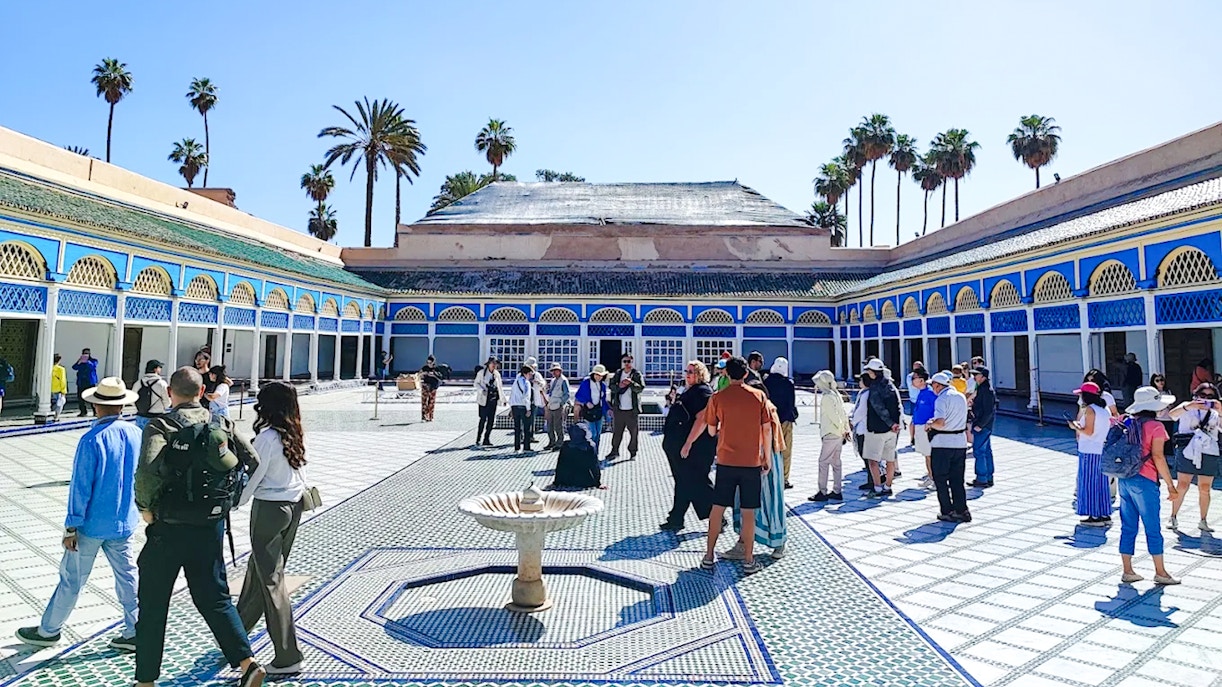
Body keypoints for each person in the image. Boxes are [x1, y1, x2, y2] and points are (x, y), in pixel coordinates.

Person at [133, 366, 265, 687]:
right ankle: (247, 663)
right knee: (214, 597)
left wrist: (146, 509)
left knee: (153, 602)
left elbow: (148, 473)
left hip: (169, 527)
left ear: (170, 393)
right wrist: (230, 500)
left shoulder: (161, 424)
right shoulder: (220, 422)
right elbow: (253, 461)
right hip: (210, 525)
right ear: (202, 392)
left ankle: (146, 680)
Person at [15, 377, 142, 652]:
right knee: (128, 576)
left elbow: (81, 487)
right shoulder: (136, 434)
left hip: (91, 524)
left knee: (72, 579)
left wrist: (71, 526)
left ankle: (49, 630)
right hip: (123, 520)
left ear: (97, 406)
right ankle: (136, 629)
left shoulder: (92, 439)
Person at [236, 381, 307, 675]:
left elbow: (254, 475)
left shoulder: (266, 438)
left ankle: (288, 655)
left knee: (271, 580)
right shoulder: (293, 433)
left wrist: (236, 502)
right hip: (293, 506)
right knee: (259, 571)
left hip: (269, 510)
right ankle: (235, 635)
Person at [683, 356, 770, 575]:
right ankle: (749, 560)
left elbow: (711, 430)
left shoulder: (718, 397)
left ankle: (709, 556)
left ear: (726, 374)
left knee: (717, 508)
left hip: (726, 461)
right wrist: (766, 457)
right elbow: (766, 429)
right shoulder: (758, 396)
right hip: (751, 462)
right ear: (746, 374)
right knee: (749, 512)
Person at [1118, 386, 1180, 585]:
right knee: (1152, 526)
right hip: (1145, 480)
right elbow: (1158, 457)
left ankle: (1128, 570)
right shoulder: (1156, 427)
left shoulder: (1126, 421)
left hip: (1125, 478)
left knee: (1128, 526)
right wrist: (1170, 485)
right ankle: (1160, 572)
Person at [729, 377, 787, 559]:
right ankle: (743, 542)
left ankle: (779, 541)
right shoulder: (751, 407)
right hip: (749, 458)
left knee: (769, 498)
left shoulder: (767, 408)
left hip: (766, 459)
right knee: (746, 500)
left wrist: (766, 459)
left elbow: (769, 433)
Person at [661, 361, 716, 531]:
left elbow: (702, 419)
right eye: (687, 371)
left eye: (692, 372)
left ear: (700, 374)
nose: (688, 374)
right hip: (680, 445)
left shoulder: (703, 392)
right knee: (684, 481)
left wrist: (688, 443)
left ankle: (716, 514)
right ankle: (676, 517)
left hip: (697, 447)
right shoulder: (689, 390)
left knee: (696, 481)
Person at [1167, 383, 1218, 532]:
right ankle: (1173, 516)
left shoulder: (1215, 411)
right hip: (1187, 449)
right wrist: (1190, 406)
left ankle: (1203, 520)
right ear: (1196, 395)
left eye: (1210, 397)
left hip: (1209, 450)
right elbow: (1172, 415)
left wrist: (1220, 411)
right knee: (1182, 485)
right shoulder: (1187, 406)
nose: (1205, 400)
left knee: (1205, 488)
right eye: (1202, 396)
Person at [928, 372, 971, 522]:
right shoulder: (960, 396)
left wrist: (930, 424)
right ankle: (962, 509)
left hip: (943, 443)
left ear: (938, 385)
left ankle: (946, 510)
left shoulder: (941, 399)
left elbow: (940, 423)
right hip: (959, 442)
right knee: (957, 479)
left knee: (940, 479)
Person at [1071, 382, 1113, 526]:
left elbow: (1088, 431)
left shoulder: (1090, 409)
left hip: (1089, 450)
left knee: (1089, 482)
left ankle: (1094, 516)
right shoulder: (1104, 409)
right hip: (1101, 449)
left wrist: (1075, 427)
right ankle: (1104, 514)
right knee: (1101, 483)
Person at [862, 359, 901, 498]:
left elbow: (879, 408)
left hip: (878, 429)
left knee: (873, 460)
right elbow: (897, 405)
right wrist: (896, 424)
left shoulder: (874, 387)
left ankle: (877, 488)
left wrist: (890, 423)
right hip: (892, 430)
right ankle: (888, 486)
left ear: (873, 372)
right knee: (890, 459)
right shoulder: (890, 385)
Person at [809, 370, 848, 501]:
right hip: (838, 433)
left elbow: (834, 416)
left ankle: (822, 491)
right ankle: (837, 490)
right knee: (836, 462)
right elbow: (843, 413)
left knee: (823, 462)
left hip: (831, 432)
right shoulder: (836, 394)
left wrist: (839, 428)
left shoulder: (827, 396)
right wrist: (844, 429)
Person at [763, 357, 798, 489]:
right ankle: (784, 478)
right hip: (785, 420)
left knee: (770, 447)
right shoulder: (788, 383)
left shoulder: (766, 381)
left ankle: (770, 474)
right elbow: (791, 403)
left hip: (770, 419)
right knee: (786, 450)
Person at [608, 355, 645, 460]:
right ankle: (614, 451)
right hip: (619, 409)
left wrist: (631, 383)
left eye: (629, 361)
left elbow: (641, 388)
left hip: (632, 410)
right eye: (625, 361)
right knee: (617, 432)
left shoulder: (637, 374)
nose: (627, 364)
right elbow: (611, 387)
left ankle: (633, 453)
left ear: (632, 362)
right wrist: (619, 386)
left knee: (633, 433)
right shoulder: (618, 374)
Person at [968, 367, 997, 488]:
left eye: (977, 374)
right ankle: (988, 477)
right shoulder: (983, 389)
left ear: (983, 376)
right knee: (986, 451)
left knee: (979, 451)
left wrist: (980, 425)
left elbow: (989, 411)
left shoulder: (985, 390)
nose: (974, 377)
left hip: (982, 425)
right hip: (985, 425)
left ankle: (981, 478)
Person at [909, 368, 937, 490]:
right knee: (926, 454)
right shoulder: (921, 393)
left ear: (921, 380)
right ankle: (930, 476)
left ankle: (935, 479)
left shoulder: (930, 393)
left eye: (913, 378)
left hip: (927, 428)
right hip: (919, 426)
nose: (911, 380)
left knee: (930, 455)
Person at [574, 365, 611, 450]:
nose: (599, 377)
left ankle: (596, 452)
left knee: (598, 433)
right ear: (593, 374)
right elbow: (579, 395)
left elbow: (603, 400)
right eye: (597, 375)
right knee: (592, 433)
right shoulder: (586, 383)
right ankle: (590, 450)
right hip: (588, 411)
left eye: (601, 375)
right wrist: (586, 402)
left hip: (599, 411)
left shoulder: (603, 385)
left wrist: (608, 410)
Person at [473, 357, 503, 447]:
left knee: (491, 420)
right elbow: (476, 383)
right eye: (492, 363)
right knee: (482, 419)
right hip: (484, 398)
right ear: (488, 364)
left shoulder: (496, 374)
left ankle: (487, 438)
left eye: (495, 363)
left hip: (493, 399)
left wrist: (502, 399)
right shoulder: (481, 373)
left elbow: (500, 387)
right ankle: (478, 438)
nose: (494, 365)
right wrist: (482, 390)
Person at [851, 372, 873, 490]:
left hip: (864, 428)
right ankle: (871, 478)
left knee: (866, 454)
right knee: (864, 454)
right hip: (861, 427)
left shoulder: (867, 394)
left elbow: (861, 411)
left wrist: (853, 421)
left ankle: (872, 479)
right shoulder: (863, 393)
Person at [134, 360, 171, 429]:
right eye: (160, 367)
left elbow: (132, 399)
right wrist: (163, 407)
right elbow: (167, 401)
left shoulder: (138, 383)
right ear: (155, 369)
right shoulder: (161, 384)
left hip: (141, 416)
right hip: (156, 417)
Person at [543, 363, 571, 451]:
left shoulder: (563, 380)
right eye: (552, 371)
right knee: (549, 425)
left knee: (558, 425)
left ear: (559, 371)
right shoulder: (553, 380)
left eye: (555, 371)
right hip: (551, 405)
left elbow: (567, 394)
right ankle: (552, 442)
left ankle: (560, 443)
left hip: (558, 405)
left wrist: (561, 403)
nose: (554, 373)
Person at [509, 364, 537, 452]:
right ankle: (526, 447)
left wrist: (511, 407)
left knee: (517, 428)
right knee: (526, 428)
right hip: (523, 407)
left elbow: (512, 395)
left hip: (515, 406)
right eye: (530, 374)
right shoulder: (526, 383)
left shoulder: (516, 381)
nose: (531, 376)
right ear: (526, 373)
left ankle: (517, 447)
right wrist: (528, 409)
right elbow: (526, 396)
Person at [72, 348, 99, 417]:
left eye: (87, 354)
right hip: (81, 382)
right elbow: (74, 367)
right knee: (80, 398)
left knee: (92, 397)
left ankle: (95, 411)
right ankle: (83, 411)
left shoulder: (93, 361)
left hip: (90, 382)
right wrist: (79, 361)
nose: (85, 355)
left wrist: (87, 361)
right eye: (84, 354)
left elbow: (92, 367)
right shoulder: (80, 361)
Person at [418, 355, 442, 422]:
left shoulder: (437, 369)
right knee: (424, 401)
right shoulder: (425, 368)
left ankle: (430, 416)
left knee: (431, 402)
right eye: (428, 362)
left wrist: (433, 375)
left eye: (430, 363)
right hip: (425, 386)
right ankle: (423, 417)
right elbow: (418, 374)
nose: (429, 364)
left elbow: (440, 378)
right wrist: (423, 373)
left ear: (433, 362)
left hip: (433, 387)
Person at [50, 353, 67, 421]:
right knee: (59, 404)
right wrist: (64, 391)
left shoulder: (49, 368)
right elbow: (63, 380)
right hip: (58, 389)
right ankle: (56, 416)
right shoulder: (61, 369)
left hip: (50, 389)